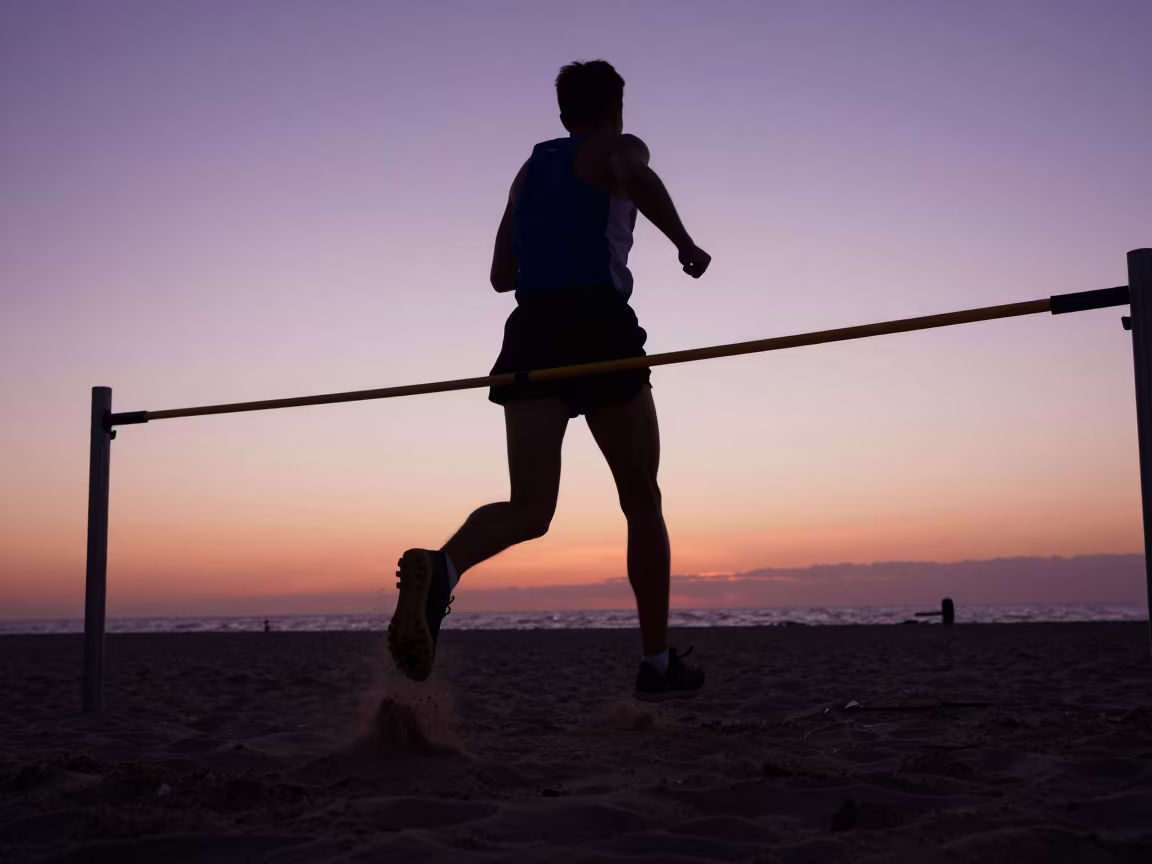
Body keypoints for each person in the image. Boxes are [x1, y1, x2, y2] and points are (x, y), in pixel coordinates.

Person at [388, 60, 710, 701]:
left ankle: (444, 568)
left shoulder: (529, 171)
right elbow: (630, 174)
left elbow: (502, 274)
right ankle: (655, 663)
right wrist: (683, 242)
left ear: (562, 113)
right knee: (641, 497)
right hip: (596, 327)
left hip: (532, 330)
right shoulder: (618, 146)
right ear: (617, 106)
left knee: (530, 509)